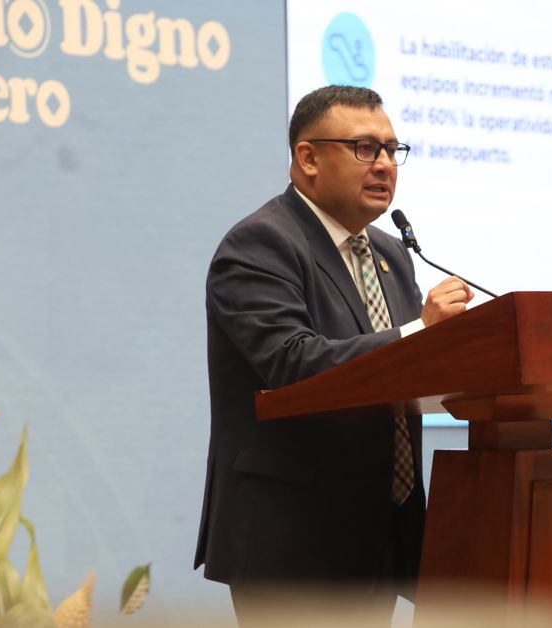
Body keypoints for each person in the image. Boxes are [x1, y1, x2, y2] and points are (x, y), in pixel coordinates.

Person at [193, 85, 474, 623]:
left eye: (392, 149)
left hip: (381, 531)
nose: (385, 164)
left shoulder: (391, 253)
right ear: (308, 158)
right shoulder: (260, 244)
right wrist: (421, 331)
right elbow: (292, 363)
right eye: (365, 148)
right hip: (294, 539)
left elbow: (408, 373)